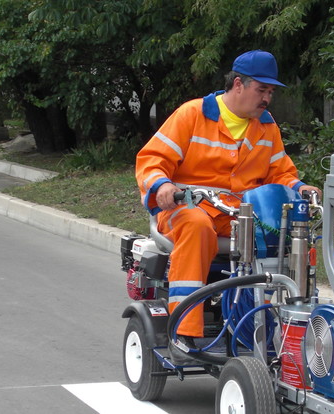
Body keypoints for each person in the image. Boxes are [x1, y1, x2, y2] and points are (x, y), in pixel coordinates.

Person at [135, 50, 321, 345]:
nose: (267, 98)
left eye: (270, 92)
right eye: (262, 90)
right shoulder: (192, 114)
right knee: (197, 226)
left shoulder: (267, 125)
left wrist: (300, 188)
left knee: (286, 239)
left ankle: (272, 332)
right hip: (185, 209)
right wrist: (162, 186)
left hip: (239, 215)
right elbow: (152, 160)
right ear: (238, 84)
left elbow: (280, 173)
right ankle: (185, 331)